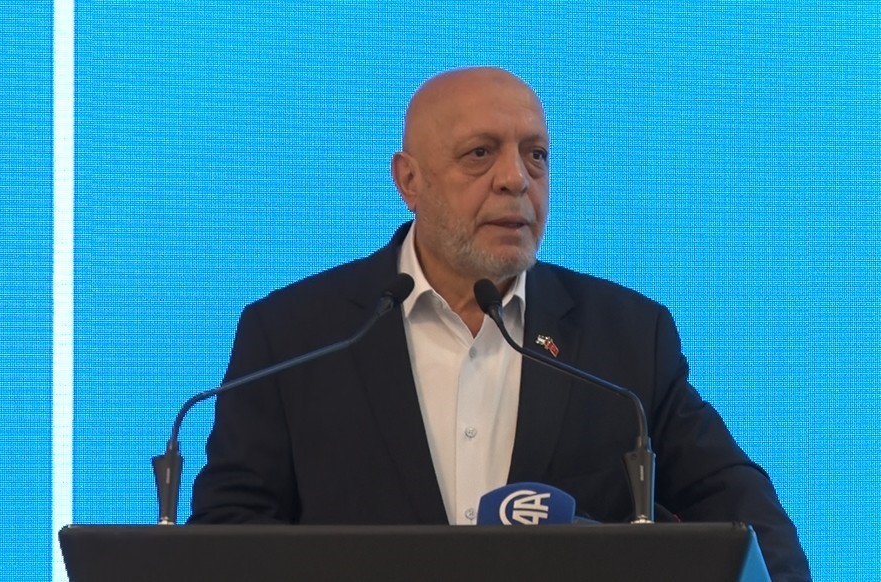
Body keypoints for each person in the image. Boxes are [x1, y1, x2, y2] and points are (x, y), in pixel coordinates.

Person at [189, 67, 811, 580]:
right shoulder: (294, 334)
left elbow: (736, 503)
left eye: (536, 155)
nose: (516, 179)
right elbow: (230, 529)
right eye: (480, 154)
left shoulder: (625, 336)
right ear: (409, 180)